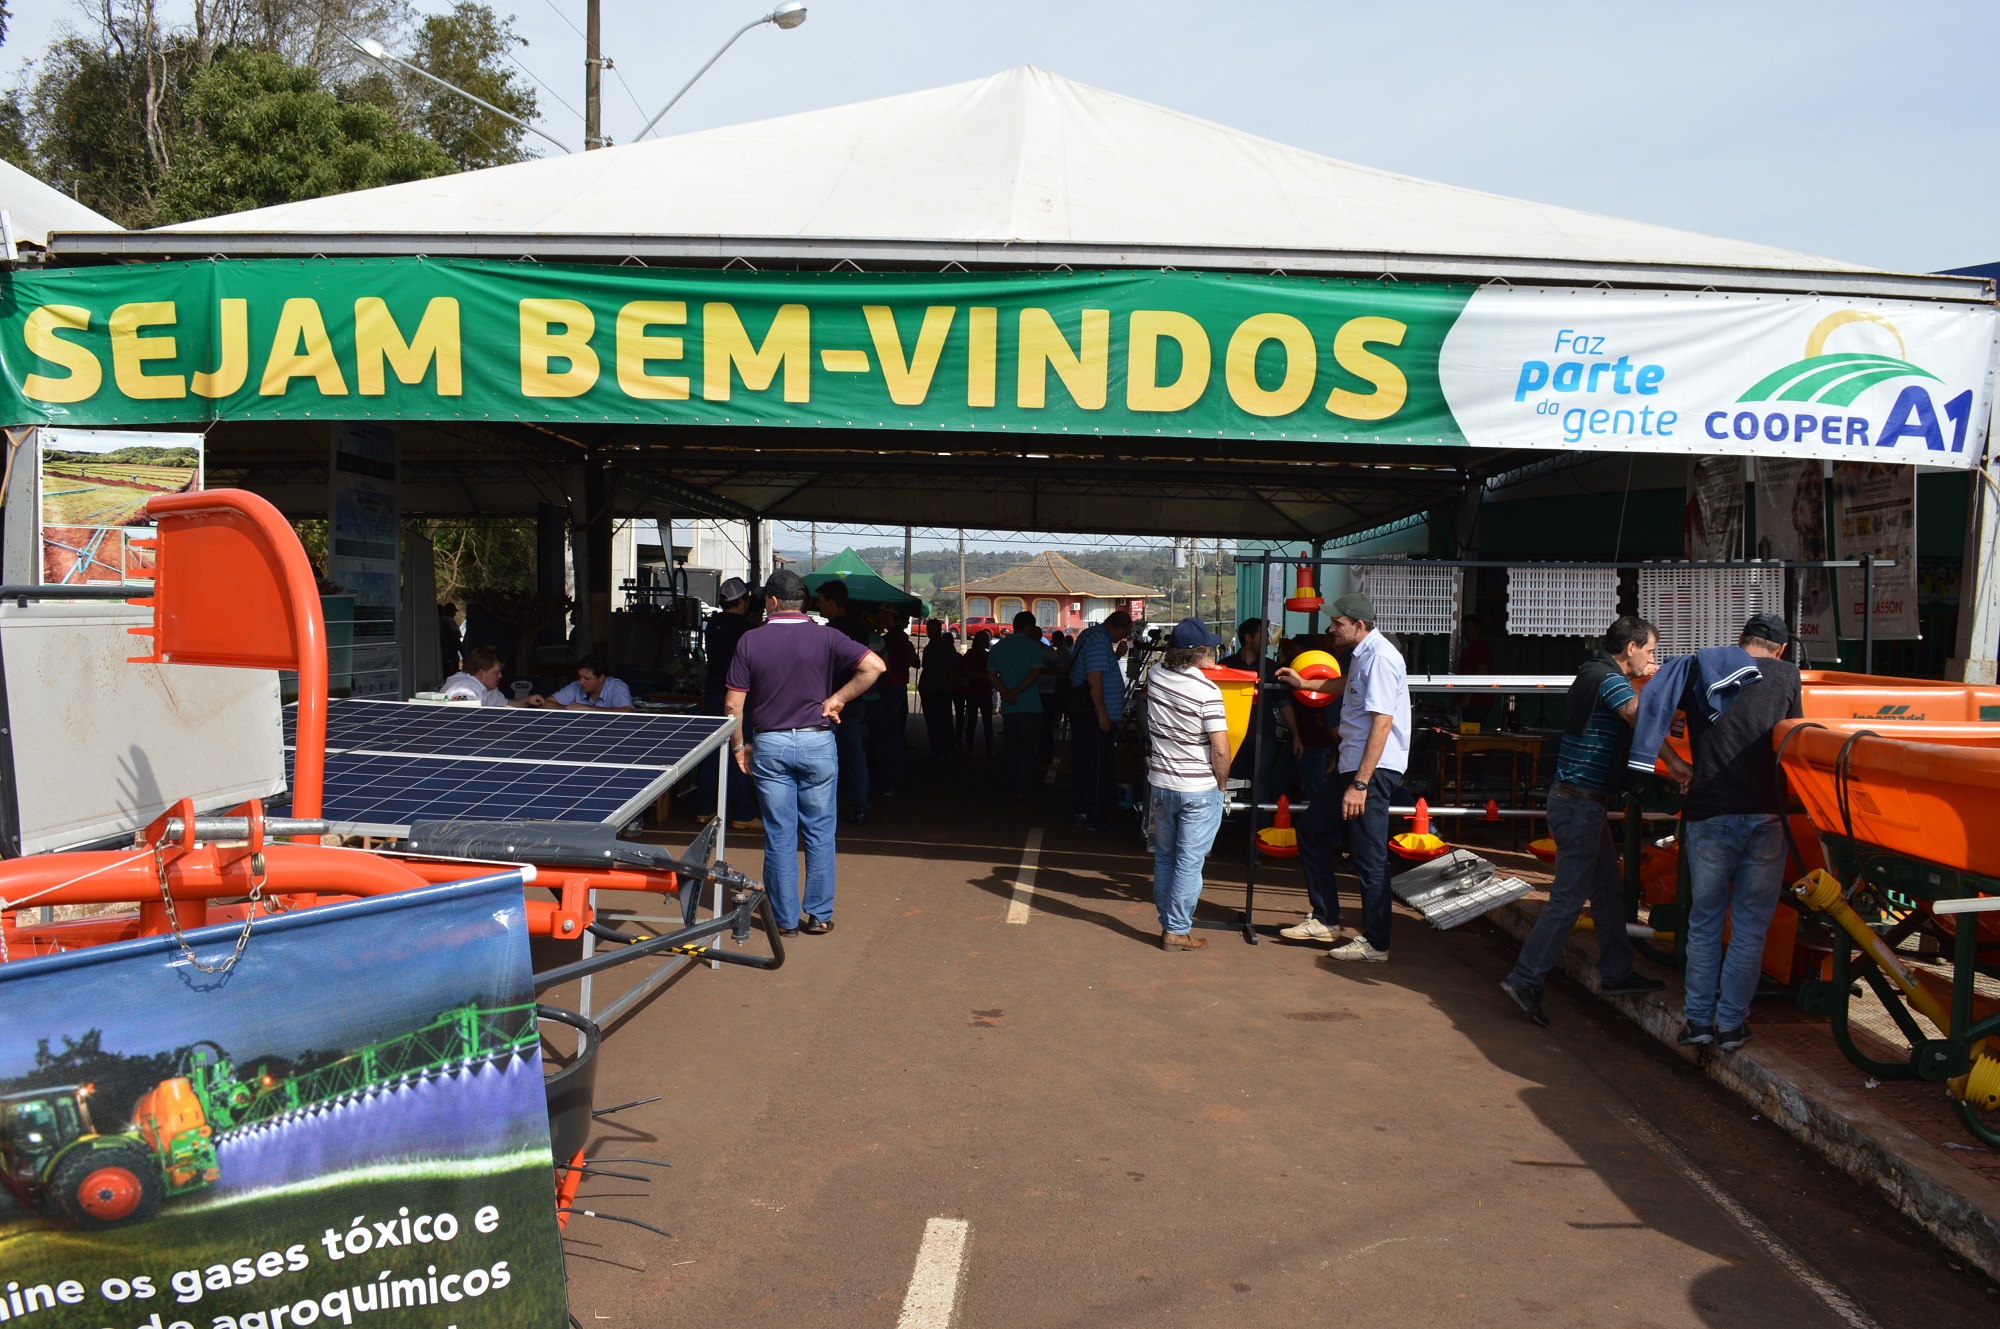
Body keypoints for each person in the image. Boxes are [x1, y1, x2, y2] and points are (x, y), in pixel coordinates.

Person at [1637, 612, 1803, 1052]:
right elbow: (1794, 738)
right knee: (1750, 928)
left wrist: (1675, 765)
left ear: (1739, 640)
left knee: (1705, 923)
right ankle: (1731, 1025)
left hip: (1709, 811)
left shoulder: (1703, 667)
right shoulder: (1788, 675)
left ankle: (1698, 1022)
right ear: (1781, 649)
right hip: (1766, 816)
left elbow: (1647, 712)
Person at [1497, 616, 1669, 1026]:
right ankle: (1525, 979)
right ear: (1630, 648)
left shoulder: (1592, 673)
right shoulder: (1610, 680)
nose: (1651, 660)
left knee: (1608, 890)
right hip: (1579, 805)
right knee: (1569, 900)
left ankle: (1617, 973)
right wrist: (1667, 685)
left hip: (1580, 803)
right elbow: (1635, 714)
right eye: (1650, 652)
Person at [725, 568, 885, 935]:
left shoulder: (751, 640)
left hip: (770, 743)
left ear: (774, 601)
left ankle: (784, 921)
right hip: (817, 741)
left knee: (780, 834)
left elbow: (734, 705)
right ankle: (819, 915)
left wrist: (739, 746)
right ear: (804, 602)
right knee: (820, 831)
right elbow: (874, 666)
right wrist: (837, 699)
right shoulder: (828, 636)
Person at [1273, 593, 1411, 962]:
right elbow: (1345, 685)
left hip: (1371, 769)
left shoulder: (1380, 658)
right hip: (1355, 765)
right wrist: (1305, 683)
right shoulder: (1364, 654)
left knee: (1368, 855)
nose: (1331, 629)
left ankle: (1376, 943)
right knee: (1312, 831)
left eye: (1338, 623)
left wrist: (1361, 784)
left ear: (1360, 625)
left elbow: (1382, 724)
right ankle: (1325, 919)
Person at [1146, 617, 1233, 951]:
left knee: (1166, 856)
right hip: (1198, 787)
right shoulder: (1207, 691)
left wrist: (1197, 662)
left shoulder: (1156, 676)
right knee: (1189, 861)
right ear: (1201, 653)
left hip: (1162, 782)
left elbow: (1170, 666)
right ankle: (1177, 930)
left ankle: (1169, 922)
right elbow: (1221, 748)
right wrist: (1221, 785)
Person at [695, 577, 762, 830]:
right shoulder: (745, 629)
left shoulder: (712, 625)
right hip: (739, 695)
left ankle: (704, 809)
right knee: (740, 750)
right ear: (742, 600)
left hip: (713, 692)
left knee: (711, 752)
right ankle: (742, 813)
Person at [1220, 618, 1299, 824]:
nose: (1266, 642)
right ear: (1248, 638)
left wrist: (1296, 736)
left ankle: (1258, 839)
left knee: (1261, 789)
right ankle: (1223, 835)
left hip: (1263, 739)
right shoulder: (1225, 667)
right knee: (1226, 786)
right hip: (1231, 740)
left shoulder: (1272, 669)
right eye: (1263, 636)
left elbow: (1284, 705)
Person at [1068, 610, 1134, 833]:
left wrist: (1115, 656)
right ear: (1121, 627)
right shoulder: (1098, 640)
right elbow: (1094, 678)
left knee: (1087, 765)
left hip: (1088, 715)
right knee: (1097, 769)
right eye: (1126, 633)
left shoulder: (1093, 635)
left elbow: (1097, 669)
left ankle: (1084, 812)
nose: (1123, 637)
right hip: (1093, 717)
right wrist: (1103, 714)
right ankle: (1094, 817)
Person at [816, 580, 874, 825]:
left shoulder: (829, 632)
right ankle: (860, 807)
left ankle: (825, 810)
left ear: (831, 602)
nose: (817, 606)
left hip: (831, 702)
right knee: (855, 756)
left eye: (820, 601)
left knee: (825, 759)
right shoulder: (861, 629)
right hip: (855, 699)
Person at [987, 611, 1047, 802]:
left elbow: (991, 674)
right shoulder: (1033, 647)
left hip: (1010, 707)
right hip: (1030, 705)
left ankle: (1011, 786)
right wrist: (1018, 691)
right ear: (1028, 626)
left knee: (1012, 748)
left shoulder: (998, 647)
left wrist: (1005, 692)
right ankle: (1022, 789)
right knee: (1028, 750)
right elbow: (1035, 673)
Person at [871, 609, 919, 797]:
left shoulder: (891, 638)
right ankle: (894, 773)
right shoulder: (901, 638)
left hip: (890, 687)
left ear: (889, 617)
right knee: (895, 732)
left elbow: (891, 666)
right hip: (899, 686)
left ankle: (888, 776)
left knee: (886, 734)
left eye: (882, 615)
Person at [530, 653, 635, 711]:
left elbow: (627, 711)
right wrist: (568, 709)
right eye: (579, 677)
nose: (581, 682)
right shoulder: (576, 686)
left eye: (587, 678)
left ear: (601, 678)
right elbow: (546, 703)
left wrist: (588, 709)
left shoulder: (617, 687)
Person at [919, 623, 958, 758]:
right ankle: (934, 749)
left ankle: (944, 749)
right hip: (927, 689)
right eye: (928, 629)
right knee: (931, 722)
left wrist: (946, 686)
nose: (930, 632)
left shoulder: (947, 647)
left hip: (941, 690)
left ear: (939, 630)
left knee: (942, 721)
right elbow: (925, 667)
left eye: (933, 629)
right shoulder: (928, 648)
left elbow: (953, 668)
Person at [957, 630, 995, 754]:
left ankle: (989, 749)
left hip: (985, 692)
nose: (984, 641)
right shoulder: (970, 654)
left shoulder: (988, 655)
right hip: (973, 692)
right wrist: (983, 676)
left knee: (988, 722)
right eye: (982, 639)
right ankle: (970, 749)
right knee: (972, 721)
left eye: (986, 639)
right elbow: (966, 671)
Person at [440, 644, 515, 706]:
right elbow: (467, 714)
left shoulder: (488, 688)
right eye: (496, 672)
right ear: (482, 673)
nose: (500, 676)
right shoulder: (465, 689)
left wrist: (526, 700)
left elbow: (506, 704)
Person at [1456, 613, 1497, 728]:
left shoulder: (1481, 647)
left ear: (1478, 629)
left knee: (1473, 733)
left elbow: (1482, 672)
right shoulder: (1467, 649)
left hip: (1478, 701)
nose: (1466, 630)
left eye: (1470, 627)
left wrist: (1468, 695)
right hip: (1468, 701)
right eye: (1464, 627)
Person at [1037, 628, 1065, 759]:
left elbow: (1059, 668)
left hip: (1045, 692)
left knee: (1045, 723)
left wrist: (1042, 671)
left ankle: (1045, 751)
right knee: (1043, 723)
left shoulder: (1048, 651)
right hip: (1038, 691)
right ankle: (1043, 751)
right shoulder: (1049, 651)